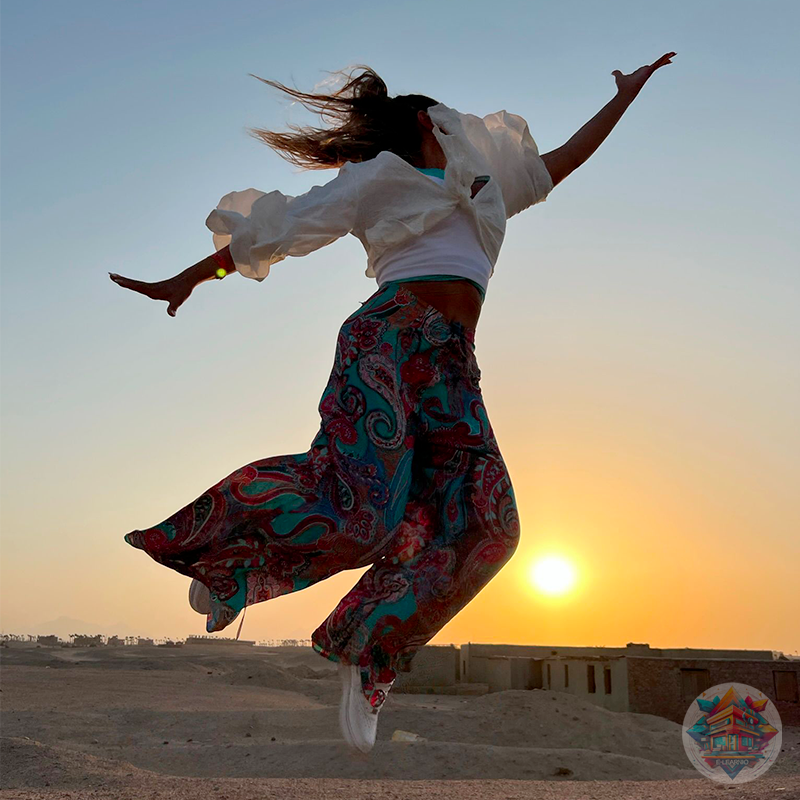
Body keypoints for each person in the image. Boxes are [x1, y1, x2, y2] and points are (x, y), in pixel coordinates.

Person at [110, 53, 676, 753]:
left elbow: (563, 160)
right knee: (361, 510)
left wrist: (624, 98)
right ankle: (226, 561)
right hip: (386, 341)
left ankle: (368, 652)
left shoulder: (485, 187)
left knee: (489, 529)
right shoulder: (375, 179)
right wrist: (187, 278)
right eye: (449, 119)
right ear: (424, 121)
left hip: (452, 367)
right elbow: (275, 234)